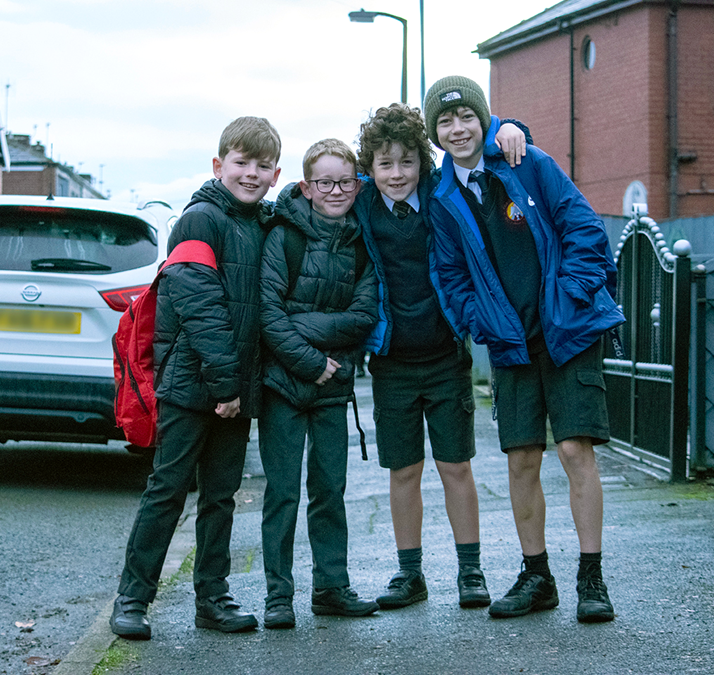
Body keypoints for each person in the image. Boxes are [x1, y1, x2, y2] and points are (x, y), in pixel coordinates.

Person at [424, 76, 624, 623]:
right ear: (435, 134)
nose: (457, 128)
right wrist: (478, 319)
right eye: (444, 122)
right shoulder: (442, 197)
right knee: (521, 459)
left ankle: (592, 578)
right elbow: (449, 272)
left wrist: (570, 293)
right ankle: (537, 577)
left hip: (568, 331)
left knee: (576, 450)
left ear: (484, 118)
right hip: (510, 342)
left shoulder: (526, 160)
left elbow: (583, 226)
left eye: (466, 116)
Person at [111, 116, 282, 640]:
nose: (250, 173)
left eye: (262, 165)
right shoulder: (199, 220)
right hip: (195, 385)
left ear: (275, 174)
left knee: (221, 497)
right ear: (218, 165)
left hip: (235, 387)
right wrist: (226, 387)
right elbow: (199, 304)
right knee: (168, 490)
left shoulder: (261, 222)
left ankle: (212, 599)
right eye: (241, 162)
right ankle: (132, 600)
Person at [354, 103, 528, 612]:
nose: (397, 174)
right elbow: (321, 187)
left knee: (456, 466)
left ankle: (470, 571)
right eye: (385, 164)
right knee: (403, 471)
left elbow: (482, 149)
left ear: (423, 164)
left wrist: (507, 127)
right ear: (371, 167)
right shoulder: (362, 202)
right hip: (391, 362)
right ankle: (410, 575)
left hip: (445, 355)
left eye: (407, 162)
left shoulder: (441, 194)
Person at [257, 139, 379, 629]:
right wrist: (312, 361)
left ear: (357, 184)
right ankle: (278, 597)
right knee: (282, 493)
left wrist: (301, 323)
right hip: (284, 385)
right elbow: (268, 312)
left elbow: (364, 315)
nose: (335, 190)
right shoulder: (281, 236)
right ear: (306, 187)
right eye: (324, 182)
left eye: (345, 182)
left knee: (330, 490)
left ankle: (331, 588)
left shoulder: (360, 242)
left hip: (333, 389)